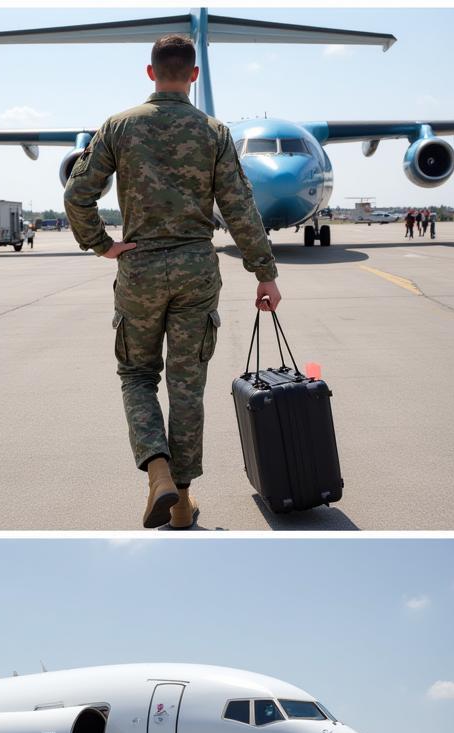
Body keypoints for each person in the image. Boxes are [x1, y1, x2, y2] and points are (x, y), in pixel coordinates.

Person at [63, 34, 280, 531]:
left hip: (138, 267)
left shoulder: (119, 127)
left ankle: (156, 470)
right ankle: (181, 503)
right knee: (187, 386)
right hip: (195, 269)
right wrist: (264, 272)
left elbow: (78, 194)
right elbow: (240, 207)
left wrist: (101, 244)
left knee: (137, 375)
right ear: (194, 76)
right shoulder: (214, 132)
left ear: (150, 72)